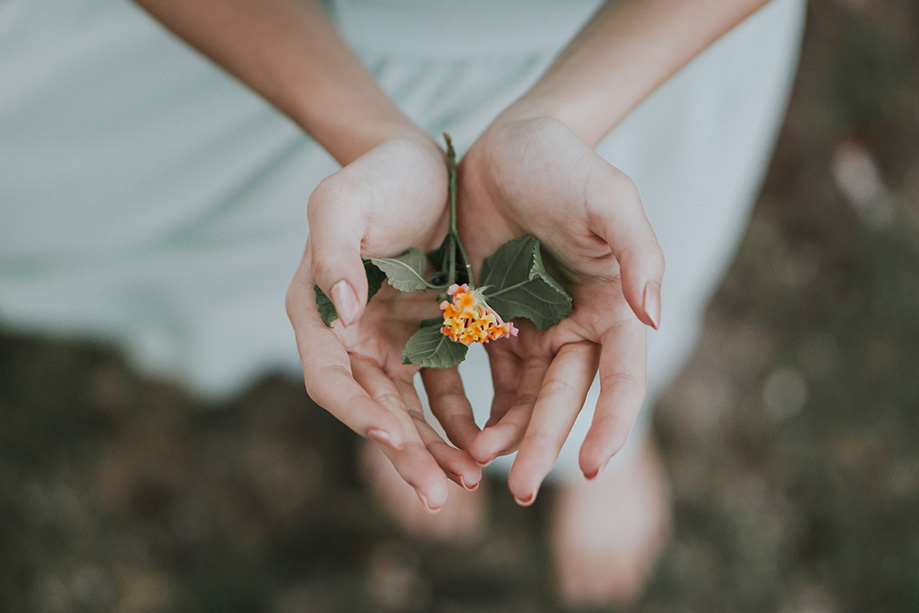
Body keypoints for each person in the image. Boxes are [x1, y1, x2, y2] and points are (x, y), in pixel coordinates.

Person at [0, 0, 805, 605]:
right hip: (303, 49)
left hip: (635, 55)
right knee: (338, 280)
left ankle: (602, 447)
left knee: (606, 281)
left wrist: (561, 114)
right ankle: (426, 420)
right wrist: (360, 130)